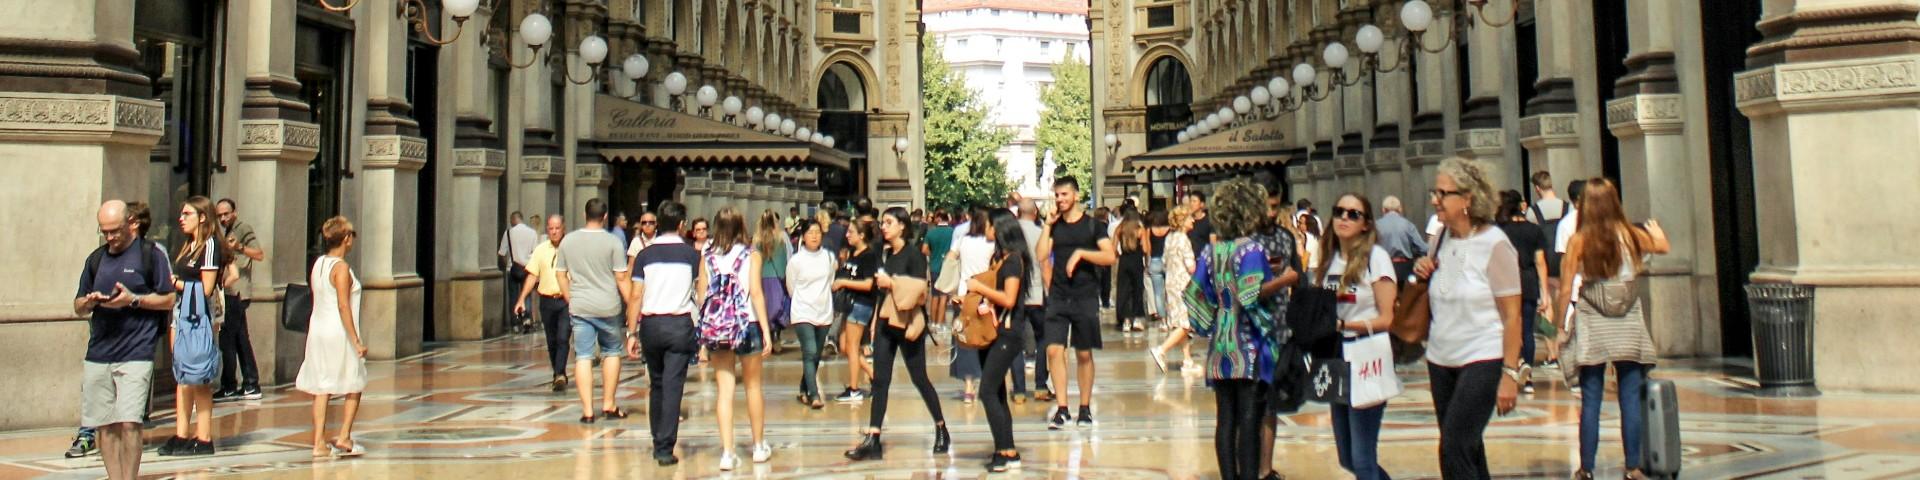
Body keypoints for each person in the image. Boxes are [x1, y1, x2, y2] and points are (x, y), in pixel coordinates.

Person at [1412, 157, 1526, 480]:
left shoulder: (1496, 244)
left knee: (1454, 447)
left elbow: (1513, 315)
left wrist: (1510, 373)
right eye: (1435, 193)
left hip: (1482, 356)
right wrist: (1424, 270)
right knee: (1469, 447)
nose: (1435, 200)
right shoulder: (1440, 239)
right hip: (1440, 357)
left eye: (1443, 193)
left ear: (1468, 199)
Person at [1555, 178, 1670, 480]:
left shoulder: (1579, 240)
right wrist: (1656, 232)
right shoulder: (1630, 235)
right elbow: (1662, 246)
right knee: (1629, 395)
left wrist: (1559, 327)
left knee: (1591, 396)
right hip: (1628, 316)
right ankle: (1632, 466)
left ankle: (1586, 468)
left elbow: (1566, 288)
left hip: (1593, 315)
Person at [1183, 179, 1283, 480]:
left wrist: (1209, 320)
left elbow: (1195, 292)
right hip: (1248, 342)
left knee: (1225, 419)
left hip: (1221, 344)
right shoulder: (1251, 249)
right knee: (1250, 418)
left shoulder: (1211, 252)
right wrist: (1282, 281)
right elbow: (1251, 294)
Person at [75, 200, 177, 478]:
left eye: (115, 231)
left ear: (130, 224)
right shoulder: (96, 259)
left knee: (130, 422)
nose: (110, 237)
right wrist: (90, 302)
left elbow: (168, 298)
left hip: (137, 351)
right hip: (99, 352)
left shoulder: (150, 254)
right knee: (104, 424)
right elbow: (78, 304)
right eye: (104, 232)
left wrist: (133, 301)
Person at [844, 207, 950, 461]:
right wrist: (873, 324)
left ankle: (941, 428)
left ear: (903, 225)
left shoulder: (914, 256)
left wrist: (892, 283)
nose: (885, 227)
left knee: (920, 378)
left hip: (907, 323)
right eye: (883, 223)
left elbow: (919, 291)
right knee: (880, 379)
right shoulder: (884, 253)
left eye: (889, 222)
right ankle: (874, 437)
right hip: (884, 322)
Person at [1315, 193, 1400, 480]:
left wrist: (1346, 325)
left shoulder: (1377, 258)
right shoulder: (1330, 260)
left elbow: (1387, 318)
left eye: (1354, 214)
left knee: (1364, 458)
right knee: (1348, 457)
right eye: (1339, 211)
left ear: (1366, 224)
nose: (1344, 218)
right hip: (1336, 357)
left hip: (1367, 354)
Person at [695, 207, 776, 469]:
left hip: (719, 328)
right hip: (747, 324)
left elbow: (702, 295)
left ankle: (728, 452)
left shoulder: (707, 256)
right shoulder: (751, 254)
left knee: (724, 391)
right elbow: (756, 292)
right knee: (753, 386)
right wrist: (766, 329)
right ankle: (758, 445)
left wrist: (703, 335)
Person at [623, 202, 701, 466]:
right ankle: (665, 447)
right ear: (681, 225)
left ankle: (658, 439)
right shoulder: (692, 256)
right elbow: (700, 294)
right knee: (673, 385)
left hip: (651, 326)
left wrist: (631, 332)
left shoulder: (645, 256)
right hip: (679, 325)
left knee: (656, 383)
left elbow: (635, 296)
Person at [1037, 177, 1116, 429]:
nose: (1060, 200)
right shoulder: (1055, 225)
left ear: (1076, 195)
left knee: (1083, 353)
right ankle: (1062, 408)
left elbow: (1109, 256)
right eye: (1057, 195)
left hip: (1084, 295)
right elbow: (1040, 256)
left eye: (1064, 195)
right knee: (1053, 350)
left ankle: (1084, 407)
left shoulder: (1093, 226)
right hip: (1059, 296)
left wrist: (1081, 254)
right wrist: (1047, 226)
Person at [295, 216, 369, 458]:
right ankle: (345, 436)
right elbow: (343, 305)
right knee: (354, 382)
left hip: (318, 329)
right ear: (346, 239)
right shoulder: (341, 268)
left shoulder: (318, 264)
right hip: (338, 331)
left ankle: (318, 442)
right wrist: (356, 340)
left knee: (322, 386)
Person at [554, 198, 633, 423]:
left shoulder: (568, 241)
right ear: (605, 216)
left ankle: (588, 411)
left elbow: (560, 273)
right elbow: (621, 277)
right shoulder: (613, 242)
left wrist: (571, 297)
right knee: (611, 352)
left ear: (584, 214)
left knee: (583, 356)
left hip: (580, 306)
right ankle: (608, 404)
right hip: (608, 306)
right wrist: (633, 306)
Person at [970, 209, 1033, 472]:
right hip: (994, 330)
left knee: (986, 391)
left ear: (1000, 229)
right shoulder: (1000, 258)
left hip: (1008, 333)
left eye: (989, 225)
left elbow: (1008, 298)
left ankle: (1003, 451)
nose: (985, 229)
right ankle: (1008, 449)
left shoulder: (1013, 261)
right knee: (996, 392)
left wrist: (978, 287)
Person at [163, 196, 225, 457]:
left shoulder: (209, 245)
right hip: (181, 312)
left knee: (199, 376)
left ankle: (204, 436)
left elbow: (207, 288)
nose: (181, 218)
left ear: (202, 217)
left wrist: (174, 283)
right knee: (182, 374)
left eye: (187, 213)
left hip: (199, 315)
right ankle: (181, 434)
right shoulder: (188, 245)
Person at [1496, 190, 1551, 395]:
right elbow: (1540, 262)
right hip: (1528, 282)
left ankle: (1511, 367)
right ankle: (1528, 377)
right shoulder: (1534, 231)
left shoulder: (1500, 231)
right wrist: (1545, 293)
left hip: (1506, 283)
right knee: (1527, 330)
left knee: (1508, 326)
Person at [213, 199, 266, 402]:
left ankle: (232, 384)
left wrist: (241, 247)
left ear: (235, 212)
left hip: (237, 291)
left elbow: (259, 254)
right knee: (239, 338)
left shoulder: (243, 229)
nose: (223, 218)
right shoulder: (223, 232)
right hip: (229, 292)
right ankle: (249, 383)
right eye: (220, 215)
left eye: (226, 214)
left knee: (229, 339)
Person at [514, 215, 571, 392]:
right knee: (552, 340)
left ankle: (560, 373)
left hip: (566, 300)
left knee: (563, 337)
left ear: (563, 228)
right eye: (551, 228)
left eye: (557, 228)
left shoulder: (570, 249)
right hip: (546, 300)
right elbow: (532, 275)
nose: (554, 232)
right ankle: (557, 371)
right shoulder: (540, 250)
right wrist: (522, 298)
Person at [831, 218, 882, 403]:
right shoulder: (853, 253)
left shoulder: (868, 255)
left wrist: (844, 282)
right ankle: (874, 375)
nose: (847, 235)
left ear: (861, 235)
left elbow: (869, 284)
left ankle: (854, 389)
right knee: (844, 346)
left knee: (852, 347)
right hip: (850, 303)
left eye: (851, 232)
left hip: (861, 304)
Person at [787, 219, 836, 409]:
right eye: (810, 232)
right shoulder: (796, 260)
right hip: (802, 311)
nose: (814, 236)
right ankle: (814, 395)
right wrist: (802, 300)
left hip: (823, 310)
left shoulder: (828, 258)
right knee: (809, 352)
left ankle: (803, 388)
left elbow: (830, 281)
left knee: (815, 354)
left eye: (817, 232)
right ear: (803, 237)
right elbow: (791, 286)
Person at [948, 207, 994, 404]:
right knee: (987, 335)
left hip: (963, 293)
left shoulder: (963, 240)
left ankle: (968, 386)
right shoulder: (991, 243)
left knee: (965, 339)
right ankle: (988, 380)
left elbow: (950, 258)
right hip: (985, 293)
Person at [1150, 205, 1199, 373]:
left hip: (1171, 283)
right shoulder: (1184, 239)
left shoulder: (1170, 238)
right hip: (1184, 284)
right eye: (1190, 218)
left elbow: (1164, 261)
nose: (1193, 220)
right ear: (1182, 221)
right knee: (1186, 324)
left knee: (1180, 323)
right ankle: (1161, 350)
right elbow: (1191, 266)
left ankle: (1187, 360)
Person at [1016, 199, 1049, 402]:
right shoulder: (1041, 233)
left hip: (1015, 294)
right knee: (1043, 338)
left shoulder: (1010, 233)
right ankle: (1040, 385)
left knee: (1015, 342)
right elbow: (1046, 263)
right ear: (1035, 212)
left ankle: (1019, 390)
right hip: (1037, 292)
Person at [754, 210, 792, 356]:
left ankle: (767, 336)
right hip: (775, 279)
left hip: (761, 278)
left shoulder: (757, 241)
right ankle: (775, 336)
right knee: (778, 307)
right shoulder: (780, 239)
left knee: (765, 308)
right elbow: (781, 262)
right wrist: (784, 278)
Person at [1375, 196, 1429, 287]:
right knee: (1407, 297)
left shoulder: (1376, 225)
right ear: (1400, 209)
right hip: (1405, 267)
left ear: (1383, 210)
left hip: (1383, 268)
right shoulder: (1408, 225)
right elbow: (1423, 248)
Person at [500, 211, 538, 332]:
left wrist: (507, 263)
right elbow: (536, 253)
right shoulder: (532, 233)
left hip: (512, 269)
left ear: (513, 219)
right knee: (526, 294)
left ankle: (515, 323)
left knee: (513, 297)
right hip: (528, 268)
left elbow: (502, 253)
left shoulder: (508, 233)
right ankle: (526, 320)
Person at [1114, 211, 1150, 333]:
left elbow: (1113, 248)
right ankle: (1137, 319)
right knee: (1137, 289)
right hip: (1136, 261)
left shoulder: (1120, 229)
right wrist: (1146, 260)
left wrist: (1118, 254)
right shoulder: (1140, 230)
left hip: (1124, 261)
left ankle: (1125, 320)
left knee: (1123, 290)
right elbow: (1145, 248)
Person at [923, 209, 954, 332]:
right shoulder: (952, 232)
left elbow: (924, 249)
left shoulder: (931, 233)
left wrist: (933, 255)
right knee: (943, 296)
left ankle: (933, 322)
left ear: (939, 219)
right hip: (947, 267)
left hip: (934, 266)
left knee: (934, 295)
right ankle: (941, 323)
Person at [1147, 210, 1172, 328]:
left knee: (1158, 293)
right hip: (1168, 262)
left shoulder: (1150, 230)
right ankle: (1172, 317)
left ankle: (1163, 321)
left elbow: (1147, 248)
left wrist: (1147, 262)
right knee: (1170, 292)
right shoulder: (1171, 230)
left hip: (1155, 261)